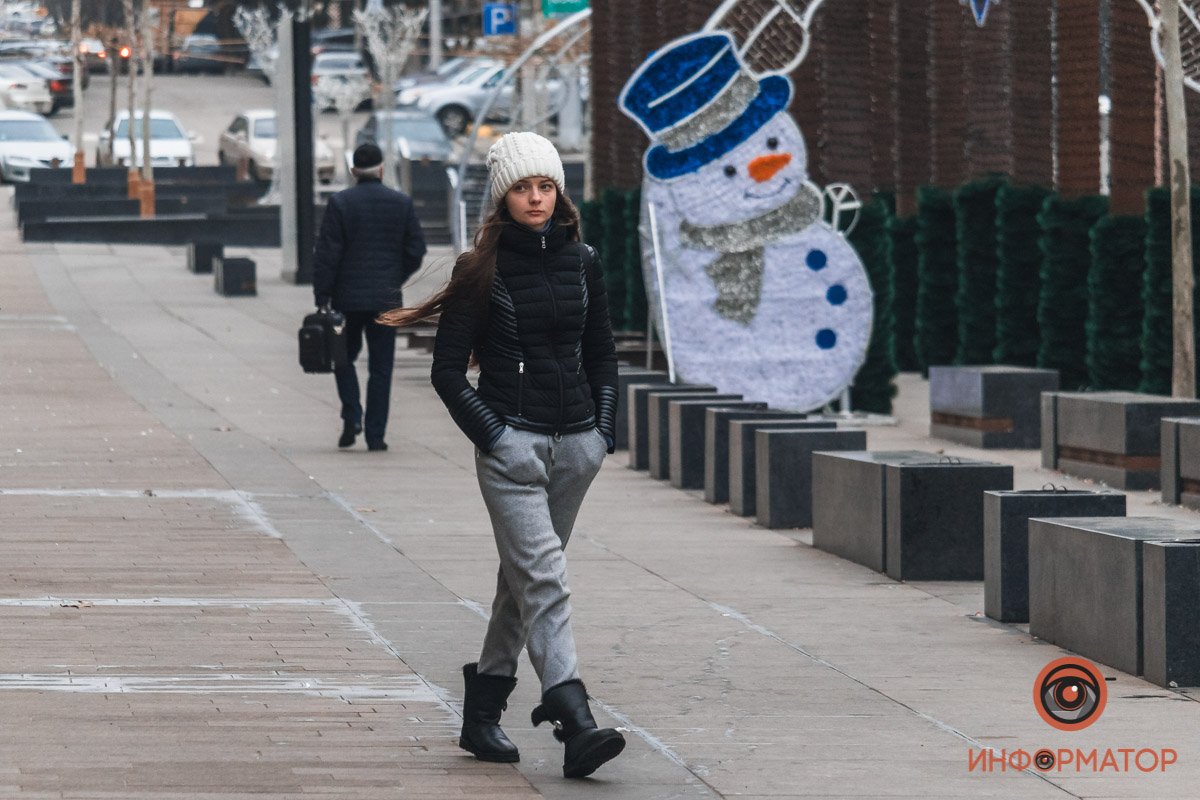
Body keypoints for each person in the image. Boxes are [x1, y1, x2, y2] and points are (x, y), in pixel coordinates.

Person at [379, 132, 625, 779]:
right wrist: (496, 437)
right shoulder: (479, 269)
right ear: (504, 198)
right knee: (545, 577)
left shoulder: (584, 260)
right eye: (523, 188)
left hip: (576, 448)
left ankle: (482, 710)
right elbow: (447, 373)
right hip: (511, 449)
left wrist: (602, 434)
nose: (537, 198)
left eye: (545, 186)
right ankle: (575, 718)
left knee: (524, 581)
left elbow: (602, 354)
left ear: (558, 191)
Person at [313, 143, 426, 451]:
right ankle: (376, 436)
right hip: (385, 301)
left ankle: (352, 415)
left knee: (342, 359)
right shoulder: (400, 203)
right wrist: (394, 279)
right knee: (381, 368)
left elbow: (327, 254)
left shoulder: (340, 203)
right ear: (381, 169)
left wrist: (322, 294)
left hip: (346, 299)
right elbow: (416, 249)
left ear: (353, 171)